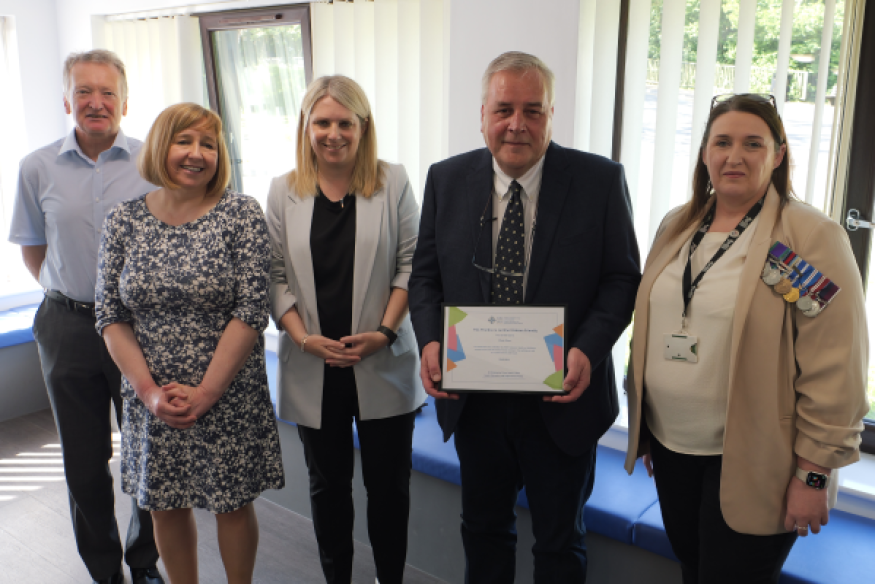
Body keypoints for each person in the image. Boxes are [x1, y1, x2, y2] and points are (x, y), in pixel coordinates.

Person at [408, 51, 641, 583]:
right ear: (483, 115)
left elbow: (622, 279)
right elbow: (425, 278)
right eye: (504, 109)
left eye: (533, 110)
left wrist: (587, 349)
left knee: (560, 544)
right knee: (484, 533)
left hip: (563, 402)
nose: (517, 124)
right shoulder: (446, 179)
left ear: (551, 115)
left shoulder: (599, 181)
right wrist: (430, 341)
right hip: (475, 402)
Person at [624, 93, 869, 584]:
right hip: (672, 450)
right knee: (693, 570)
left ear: (778, 155)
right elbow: (649, 328)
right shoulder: (677, 225)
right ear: (704, 153)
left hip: (757, 460)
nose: (734, 156)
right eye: (722, 142)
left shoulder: (807, 237)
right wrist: (646, 431)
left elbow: (835, 366)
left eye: (753, 143)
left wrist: (813, 474)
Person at [96, 102, 285, 584]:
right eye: (184, 141)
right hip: (153, 397)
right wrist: (149, 392)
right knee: (165, 504)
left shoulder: (240, 213)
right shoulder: (123, 220)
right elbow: (110, 314)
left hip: (228, 391)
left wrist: (206, 392)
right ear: (161, 147)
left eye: (208, 144)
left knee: (232, 504)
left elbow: (251, 309)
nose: (197, 153)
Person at [7, 49, 164, 584]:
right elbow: (33, 249)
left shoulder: (152, 163)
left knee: (148, 454)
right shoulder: (36, 167)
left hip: (141, 329)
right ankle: (104, 571)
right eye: (84, 91)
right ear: (66, 99)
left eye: (107, 92)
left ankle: (144, 562)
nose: (96, 102)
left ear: (125, 101)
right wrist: (73, 294)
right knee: (82, 459)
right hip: (67, 326)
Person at [266, 75, 424, 584]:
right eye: (322, 123)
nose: (333, 134)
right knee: (328, 489)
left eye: (344, 123)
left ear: (363, 126)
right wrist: (302, 338)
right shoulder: (283, 190)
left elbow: (411, 265)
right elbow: (274, 276)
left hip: (381, 361)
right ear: (306, 126)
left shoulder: (393, 181)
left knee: (389, 490)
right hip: (314, 365)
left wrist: (384, 332)